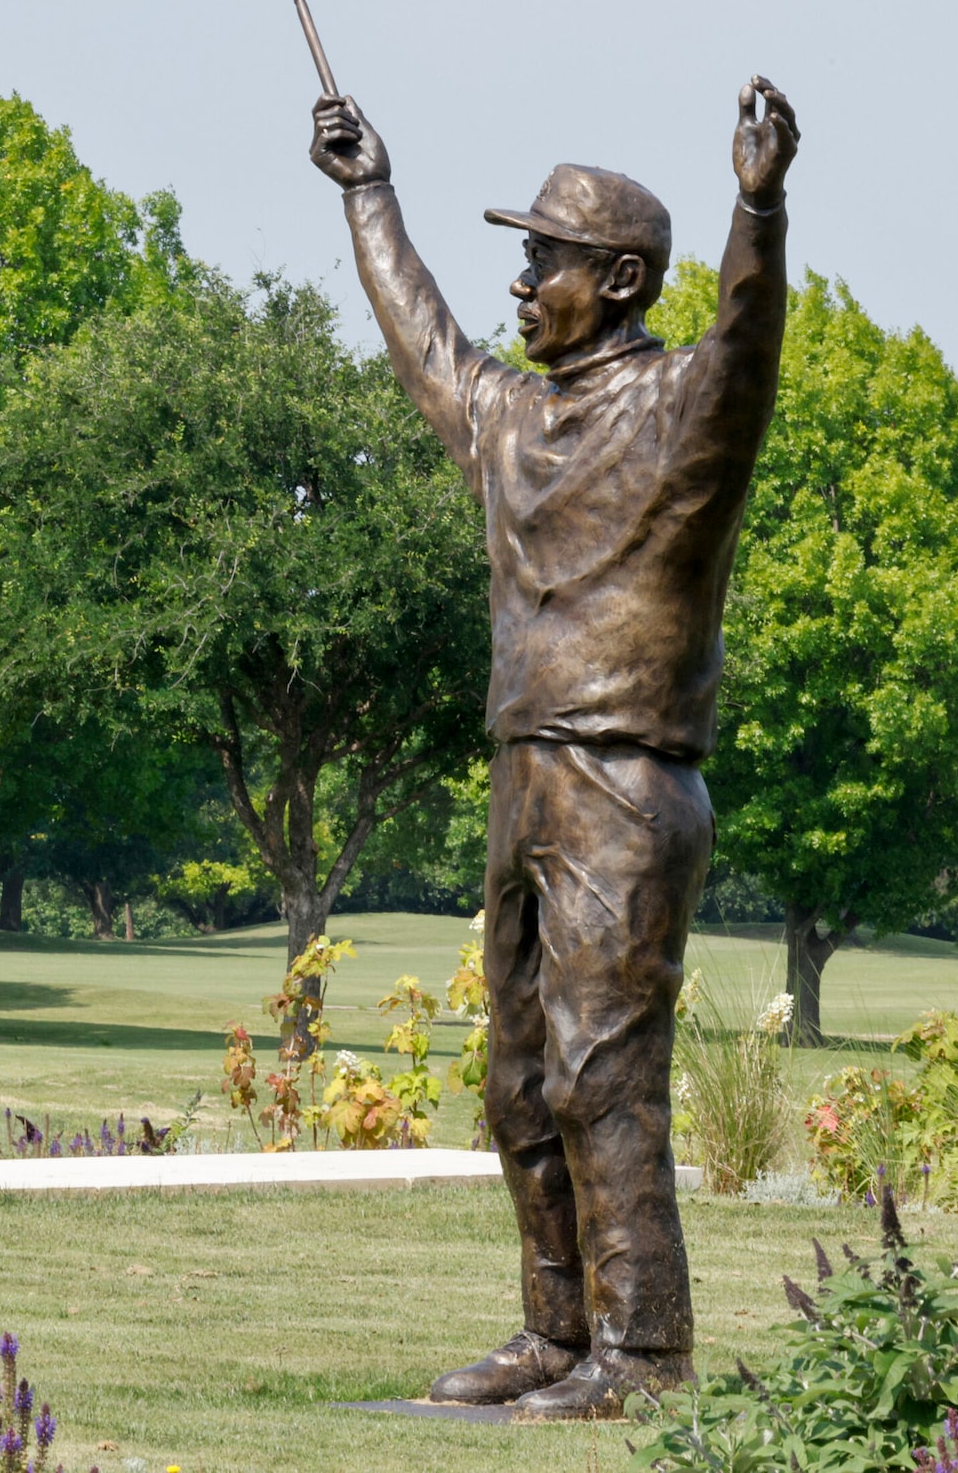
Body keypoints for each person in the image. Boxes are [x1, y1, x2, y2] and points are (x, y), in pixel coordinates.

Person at [308, 80, 797, 1418]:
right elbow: (424, 339)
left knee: (601, 1066)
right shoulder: (514, 421)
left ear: (624, 279)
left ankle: (641, 1354)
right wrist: (368, 197)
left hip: (626, 782)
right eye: (522, 260)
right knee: (519, 1070)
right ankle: (556, 1328)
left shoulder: (688, 413)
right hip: (527, 772)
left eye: (547, 260)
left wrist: (759, 209)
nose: (521, 282)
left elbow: (748, 339)